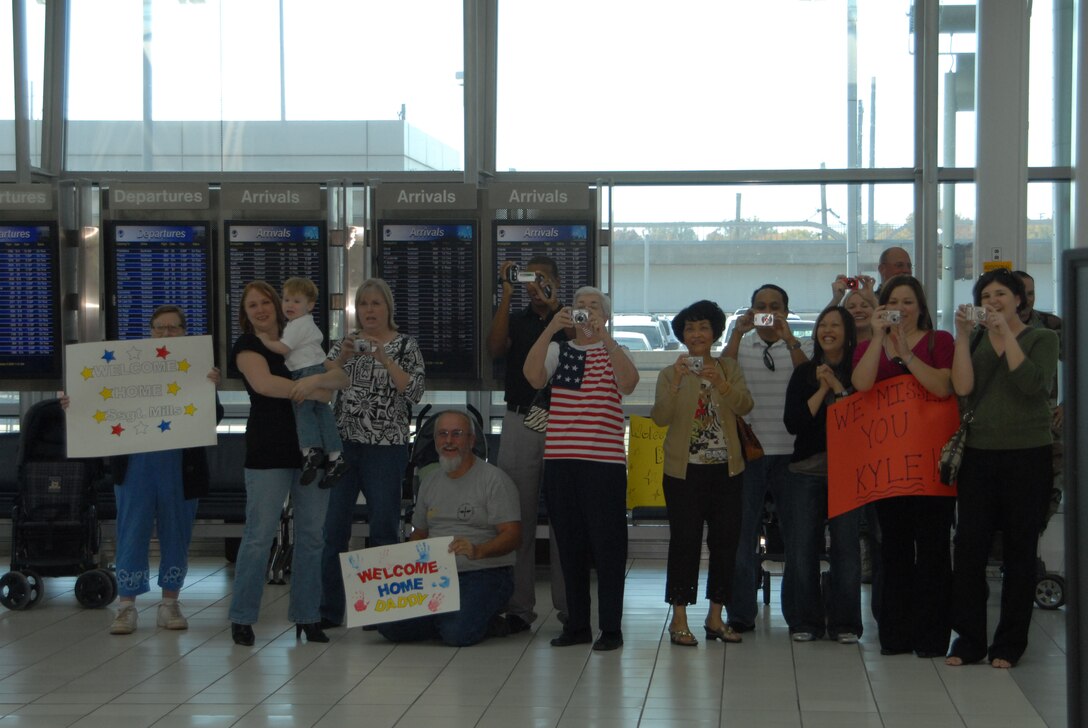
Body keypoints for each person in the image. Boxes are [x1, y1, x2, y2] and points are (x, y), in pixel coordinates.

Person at [74, 306, 223, 635]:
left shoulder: (197, 368)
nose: (167, 334)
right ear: (150, 333)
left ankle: (170, 603)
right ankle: (126, 606)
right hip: (136, 465)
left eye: (174, 328)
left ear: (185, 332)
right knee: (132, 531)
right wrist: (74, 403)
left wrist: (210, 388)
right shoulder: (128, 369)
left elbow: (212, 418)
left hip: (181, 467)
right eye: (160, 329)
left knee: (177, 532)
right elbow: (96, 404)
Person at [946, 269, 1058, 669]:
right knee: (970, 547)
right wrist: (962, 336)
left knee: (1019, 550)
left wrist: (1007, 333)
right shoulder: (975, 338)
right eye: (986, 295)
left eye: (1001, 294)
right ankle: (969, 639)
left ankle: (1010, 643)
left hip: (1028, 455)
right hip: (979, 454)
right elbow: (962, 388)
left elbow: (1033, 385)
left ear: (1019, 300)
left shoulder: (1043, 338)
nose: (993, 301)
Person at [228, 281, 349, 646]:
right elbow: (264, 385)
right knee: (258, 537)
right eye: (253, 306)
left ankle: (308, 617)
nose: (261, 310)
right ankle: (243, 616)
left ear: (279, 305)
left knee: (313, 538)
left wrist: (315, 383)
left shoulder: (300, 337)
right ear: (245, 314)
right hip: (268, 452)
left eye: (266, 302)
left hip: (308, 453)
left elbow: (339, 380)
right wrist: (308, 386)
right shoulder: (247, 345)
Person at [524, 286, 639, 651]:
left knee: (608, 547)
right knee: (568, 545)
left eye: (593, 307)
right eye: (579, 306)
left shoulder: (615, 351)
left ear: (604, 317)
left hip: (603, 463)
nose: (585, 311)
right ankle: (576, 624)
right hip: (561, 461)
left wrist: (602, 337)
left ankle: (611, 628)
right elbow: (533, 377)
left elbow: (629, 383)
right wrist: (549, 330)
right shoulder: (560, 350)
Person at [851, 274, 955, 658]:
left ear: (921, 306)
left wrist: (908, 356)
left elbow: (943, 387)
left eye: (908, 301)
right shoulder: (868, 346)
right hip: (889, 467)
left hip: (931, 465)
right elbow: (861, 384)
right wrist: (880, 338)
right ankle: (894, 635)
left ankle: (931, 638)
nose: (901, 308)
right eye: (893, 301)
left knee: (932, 551)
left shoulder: (939, 341)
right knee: (892, 550)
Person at [319, 278, 426, 629]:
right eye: (363, 304)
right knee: (334, 528)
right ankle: (329, 610)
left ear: (388, 309)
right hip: (344, 444)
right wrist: (343, 357)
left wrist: (383, 358)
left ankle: (384, 613)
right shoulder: (343, 345)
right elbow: (321, 383)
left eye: (376, 304)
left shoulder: (406, 345)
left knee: (383, 525)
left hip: (387, 446)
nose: (369, 310)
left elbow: (414, 392)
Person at [650, 300, 753, 646]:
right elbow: (661, 417)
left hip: (728, 470)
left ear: (714, 333)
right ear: (682, 335)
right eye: (690, 328)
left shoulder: (728, 367)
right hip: (683, 473)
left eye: (703, 328)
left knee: (725, 543)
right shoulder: (670, 373)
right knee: (685, 543)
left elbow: (745, 405)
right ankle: (678, 617)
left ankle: (715, 616)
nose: (696, 334)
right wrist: (678, 382)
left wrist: (721, 384)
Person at [377, 410, 521, 647]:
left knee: (457, 635)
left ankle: (464, 619)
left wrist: (478, 550)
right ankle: (449, 617)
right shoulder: (430, 482)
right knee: (387, 625)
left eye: (457, 434)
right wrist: (399, 563)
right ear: (435, 442)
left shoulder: (494, 480)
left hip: (483, 572)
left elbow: (513, 535)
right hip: (434, 575)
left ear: (471, 441)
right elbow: (420, 534)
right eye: (442, 435)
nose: (449, 441)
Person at [721, 284, 812, 635]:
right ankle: (741, 613)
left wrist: (789, 338)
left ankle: (800, 616)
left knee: (799, 538)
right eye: (760, 306)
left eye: (775, 306)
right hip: (750, 453)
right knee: (742, 536)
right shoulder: (741, 346)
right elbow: (722, 375)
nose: (768, 312)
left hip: (794, 455)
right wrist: (737, 332)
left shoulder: (799, 346)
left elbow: (808, 377)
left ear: (787, 311)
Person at [486, 256, 568, 633]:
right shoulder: (516, 318)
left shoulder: (570, 318)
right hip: (521, 419)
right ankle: (518, 607)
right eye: (531, 280)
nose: (537, 286)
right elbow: (495, 347)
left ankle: (570, 608)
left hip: (566, 423)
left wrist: (554, 309)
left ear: (557, 282)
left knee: (565, 518)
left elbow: (585, 346)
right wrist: (506, 294)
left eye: (544, 280)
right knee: (515, 515)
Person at [782, 306, 863, 643]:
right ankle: (805, 621)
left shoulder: (859, 371)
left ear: (848, 332)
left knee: (846, 549)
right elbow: (794, 423)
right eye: (823, 325)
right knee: (802, 547)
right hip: (805, 471)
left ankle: (845, 623)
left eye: (835, 325)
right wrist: (820, 388)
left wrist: (839, 388)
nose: (828, 330)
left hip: (848, 472)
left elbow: (861, 421)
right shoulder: (804, 373)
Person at [257, 277, 346, 488]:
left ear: (310, 305)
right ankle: (335, 456)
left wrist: (263, 339)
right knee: (323, 414)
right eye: (286, 299)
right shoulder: (307, 324)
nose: (289, 305)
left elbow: (283, 349)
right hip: (317, 368)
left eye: (296, 301)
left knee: (303, 410)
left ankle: (310, 451)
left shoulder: (296, 325)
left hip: (305, 372)